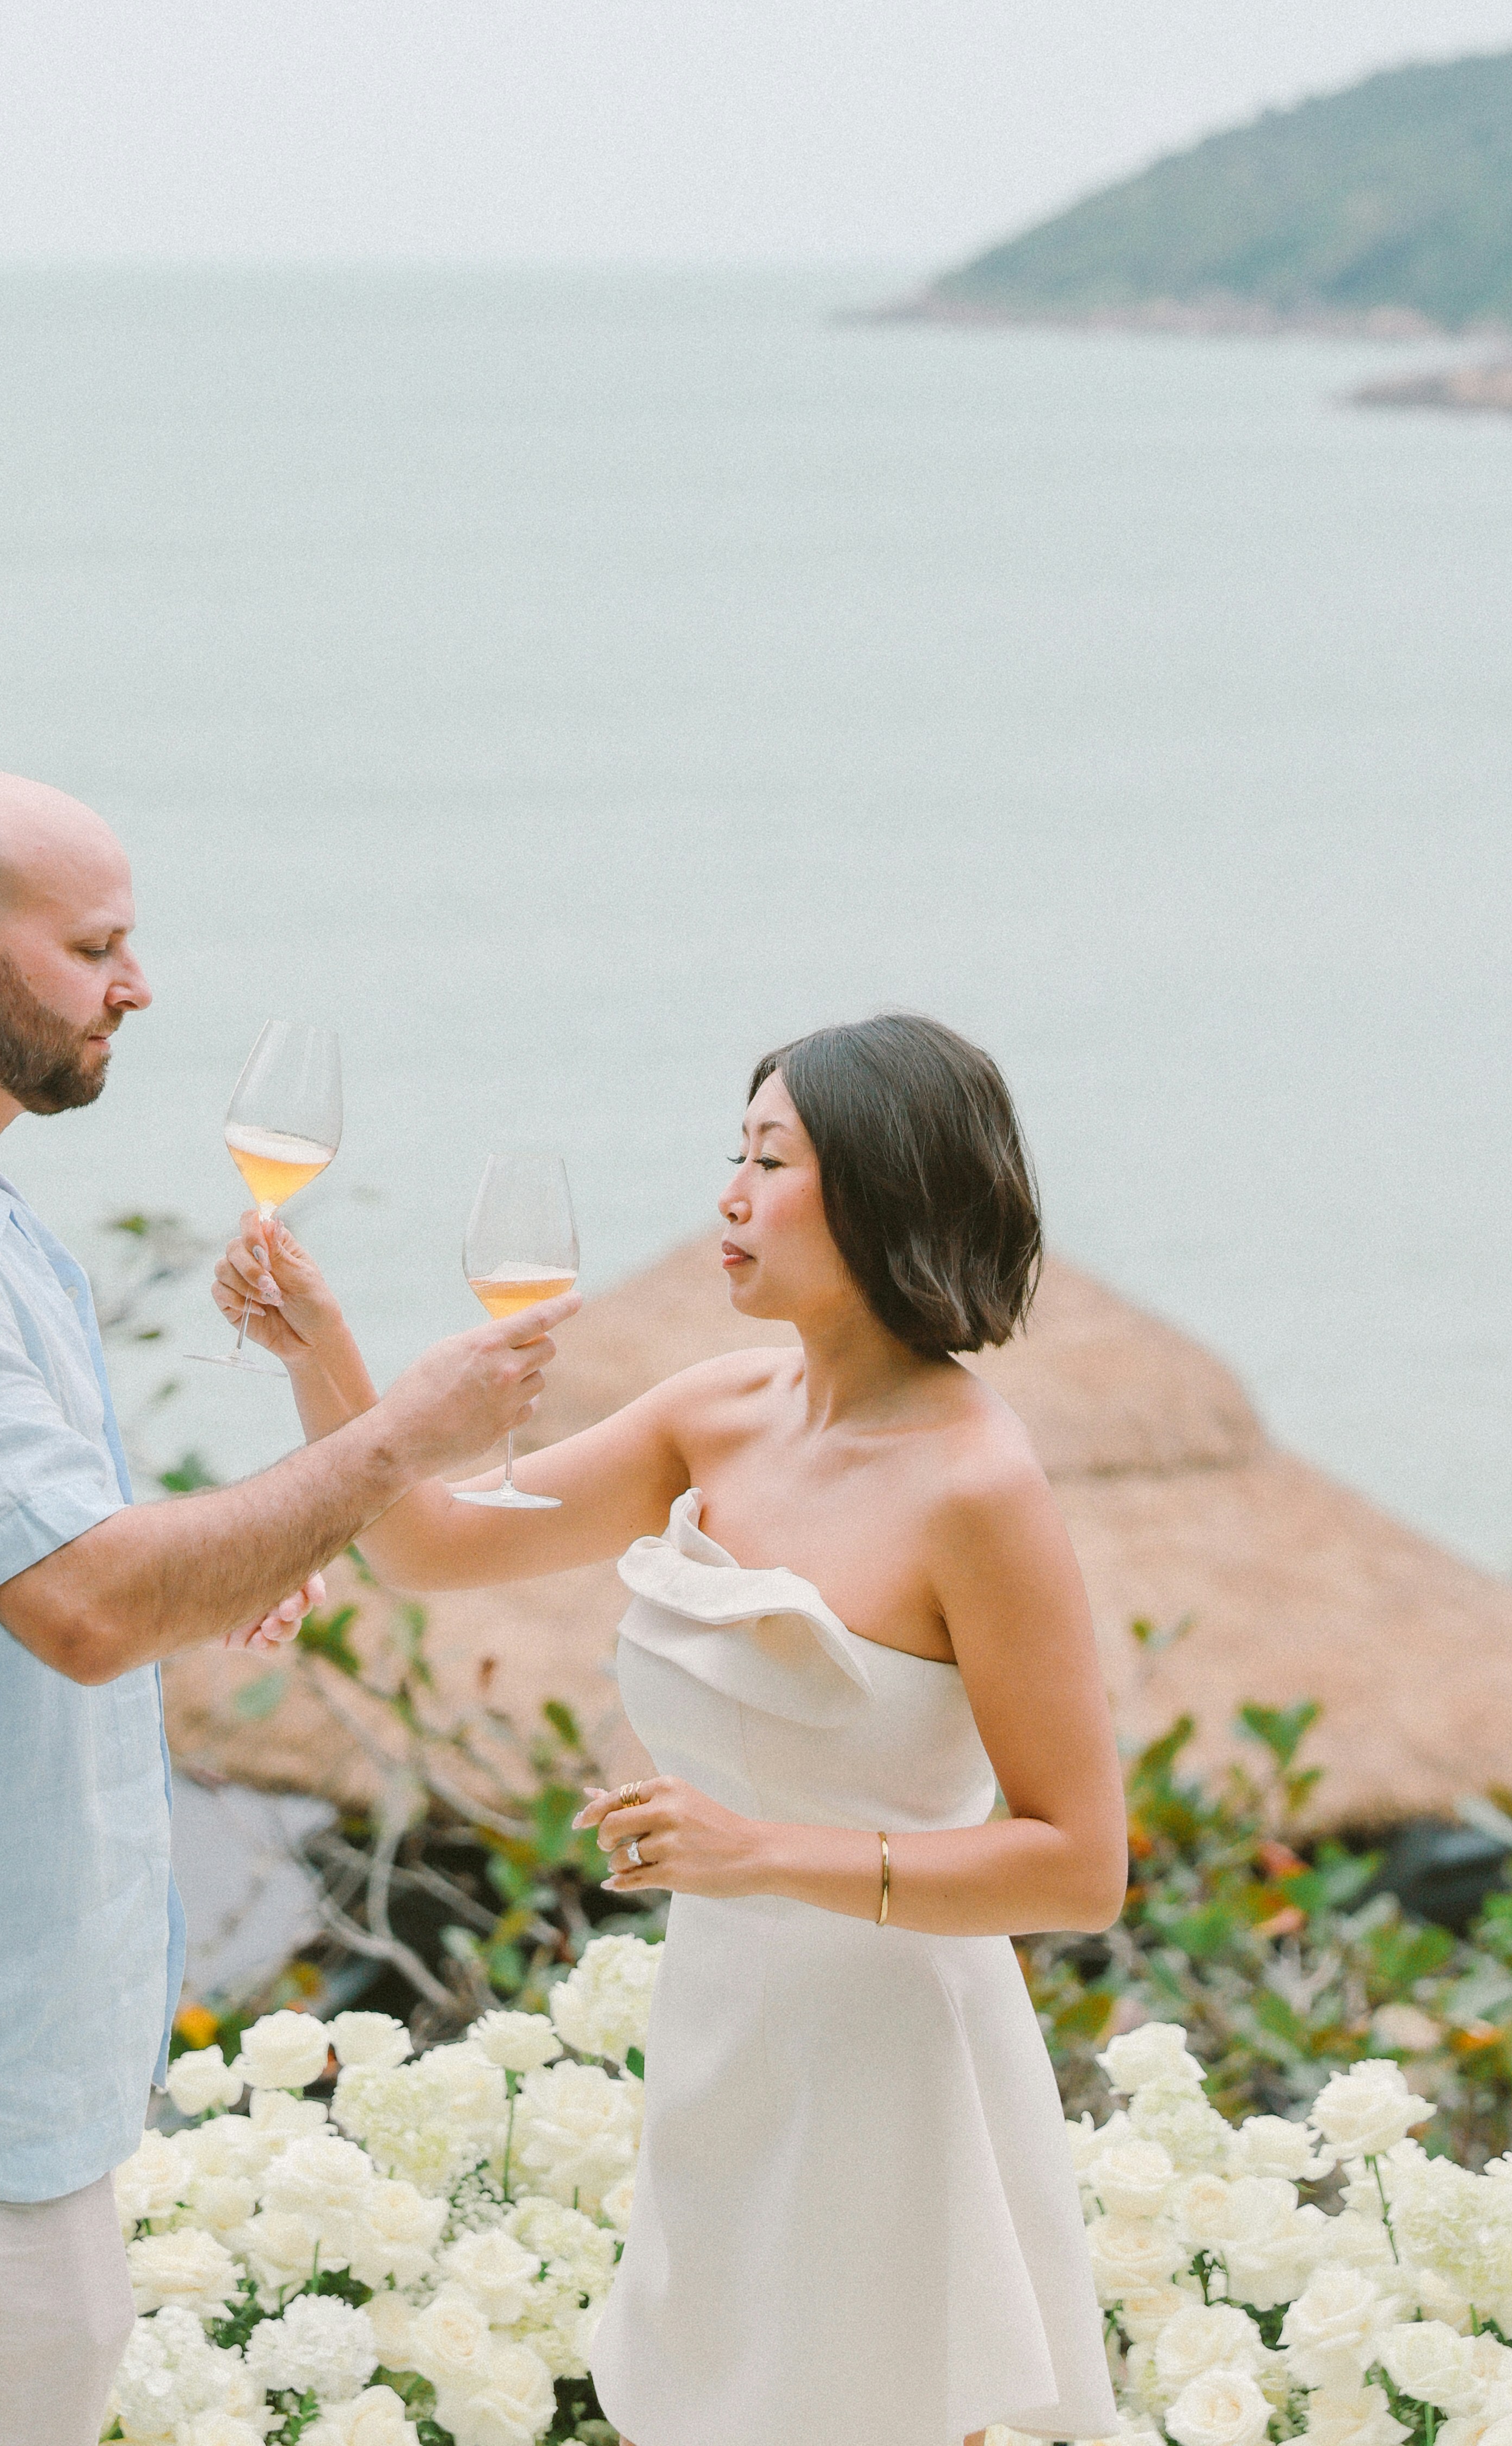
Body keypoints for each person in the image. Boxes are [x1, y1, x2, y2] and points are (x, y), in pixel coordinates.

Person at [0, 767, 576, 2446]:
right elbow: (87, 1607)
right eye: (97, 947)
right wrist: (399, 1440)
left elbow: (45, 1562)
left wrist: (227, 1560)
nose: (139, 987)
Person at [213, 1009, 1127, 2446]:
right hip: (725, 2030)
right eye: (735, 1152)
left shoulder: (977, 1490)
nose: (729, 1195)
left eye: (773, 1160)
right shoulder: (717, 1409)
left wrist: (760, 1846)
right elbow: (436, 1544)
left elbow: (1080, 1865)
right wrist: (315, 1342)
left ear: (883, 1190)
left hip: (896, 2064)